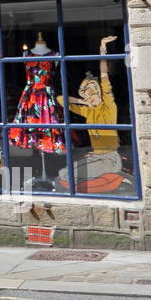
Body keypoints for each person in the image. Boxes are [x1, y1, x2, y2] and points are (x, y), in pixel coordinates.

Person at [56, 35, 124, 192]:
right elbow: (61, 100)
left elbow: (104, 75)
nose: (90, 99)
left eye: (92, 95)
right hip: (95, 156)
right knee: (63, 173)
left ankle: (92, 188)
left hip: (110, 159)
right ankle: (87, 184)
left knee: (71, 175)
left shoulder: (108, 106)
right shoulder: (88, 111)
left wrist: (102, 49)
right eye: (87, 96)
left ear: (99, 93)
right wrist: (81, 102)